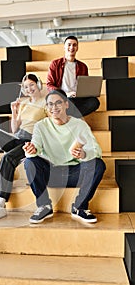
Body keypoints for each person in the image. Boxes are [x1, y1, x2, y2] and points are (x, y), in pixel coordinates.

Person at [23, 89, 106, 224]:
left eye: (58, 103)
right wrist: (31, 150)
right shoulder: (40, 126)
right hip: (50, 174)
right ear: (46, 107)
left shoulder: (79, 125)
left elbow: (95, 150)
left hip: (75, 174)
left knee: (98, 164)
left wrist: (84, 154)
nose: (54, 107)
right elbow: (35, 148)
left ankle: (80, 207)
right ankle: (44, 206)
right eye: (50, 104)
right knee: (29, 161)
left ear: (66, 104)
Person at [0, 73, 47, 222]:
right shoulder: (23, 103)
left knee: (8, 157)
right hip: (18, 138)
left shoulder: (45, 102)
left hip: (31, 140)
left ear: (38, 84)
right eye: (25, 87)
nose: (29, 88)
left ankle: (0, 204)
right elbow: (14, 129)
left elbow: (49, 125)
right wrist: (14, 111)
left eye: (31, 84)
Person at [46, 35, 100, 117]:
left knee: (94, 102)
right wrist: (66, 94)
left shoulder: (83, 66)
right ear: (64, 47)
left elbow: (84, 86)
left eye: (74, 45)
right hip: (63, 97)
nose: (72, 47)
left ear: (77, 48)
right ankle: (74, 117)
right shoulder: (55, 64)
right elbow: (49, 85)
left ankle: (71, 116)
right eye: (69, 45)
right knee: (70, 103)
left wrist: (87, 92)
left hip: (77, 97)